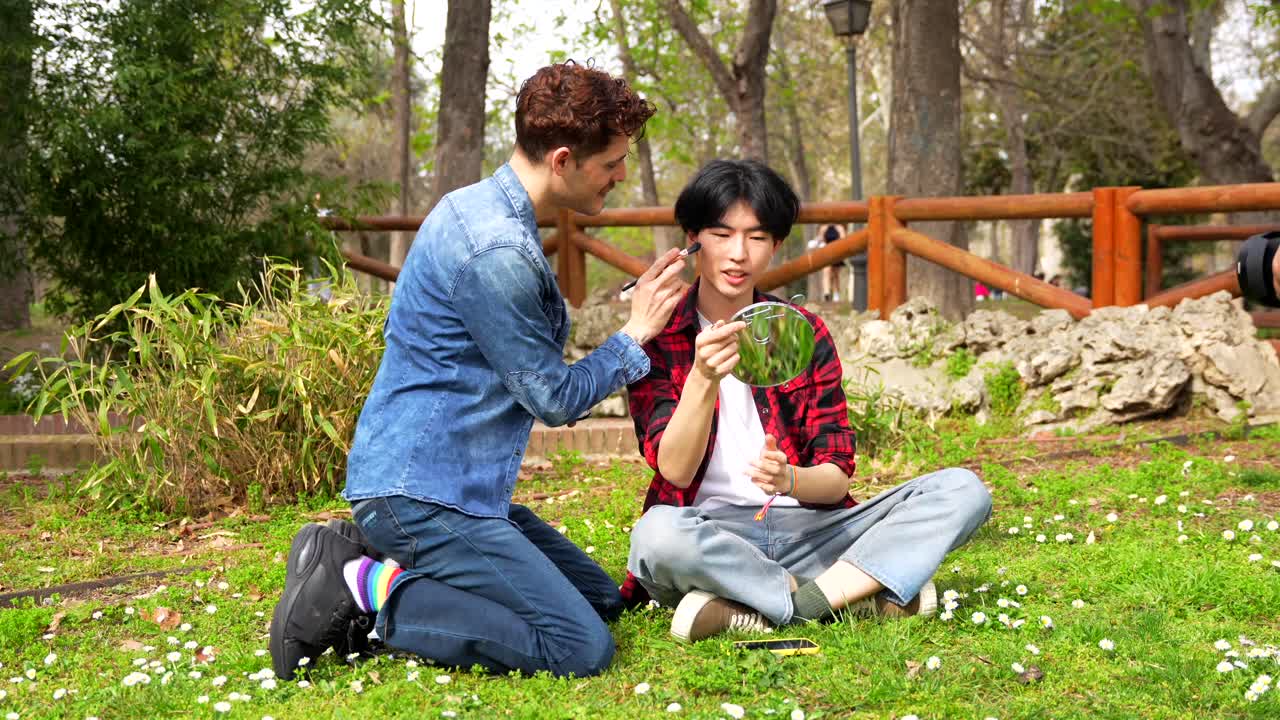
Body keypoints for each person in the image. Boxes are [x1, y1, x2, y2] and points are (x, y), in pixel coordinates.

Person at [269, 61, 689, 681]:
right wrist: (636, 334)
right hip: (420, 494)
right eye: (611, 165)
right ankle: (365, 589)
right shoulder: (496, 251)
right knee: (580, 648)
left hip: (459, 490)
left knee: (602, 601)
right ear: (565, 160)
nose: (620, 177)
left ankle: (372, 552)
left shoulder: (481, 209)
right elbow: (554, 398)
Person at [622, 159, 993, 642]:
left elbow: (835, 475)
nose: (739, 254)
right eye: (721, 234)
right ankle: (855, 594)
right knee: (656, 535)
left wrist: (789, 478)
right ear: (694, 239)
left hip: (813, 533)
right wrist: (702, 377)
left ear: (775, 245)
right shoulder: (658, 336)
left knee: (963, 490)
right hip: (712, 534)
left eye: (756, 238)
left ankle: (776, 606)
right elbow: (673, 471)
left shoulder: (802, 332)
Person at [820, 224, 845, 301]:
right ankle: (826, 293)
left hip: (837, 253)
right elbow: (821, 239)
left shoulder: (840, 227)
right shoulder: (823, 227)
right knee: (826, 272)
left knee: (835, 275)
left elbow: (843, 239)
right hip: (826, 253)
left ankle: (836, 294)